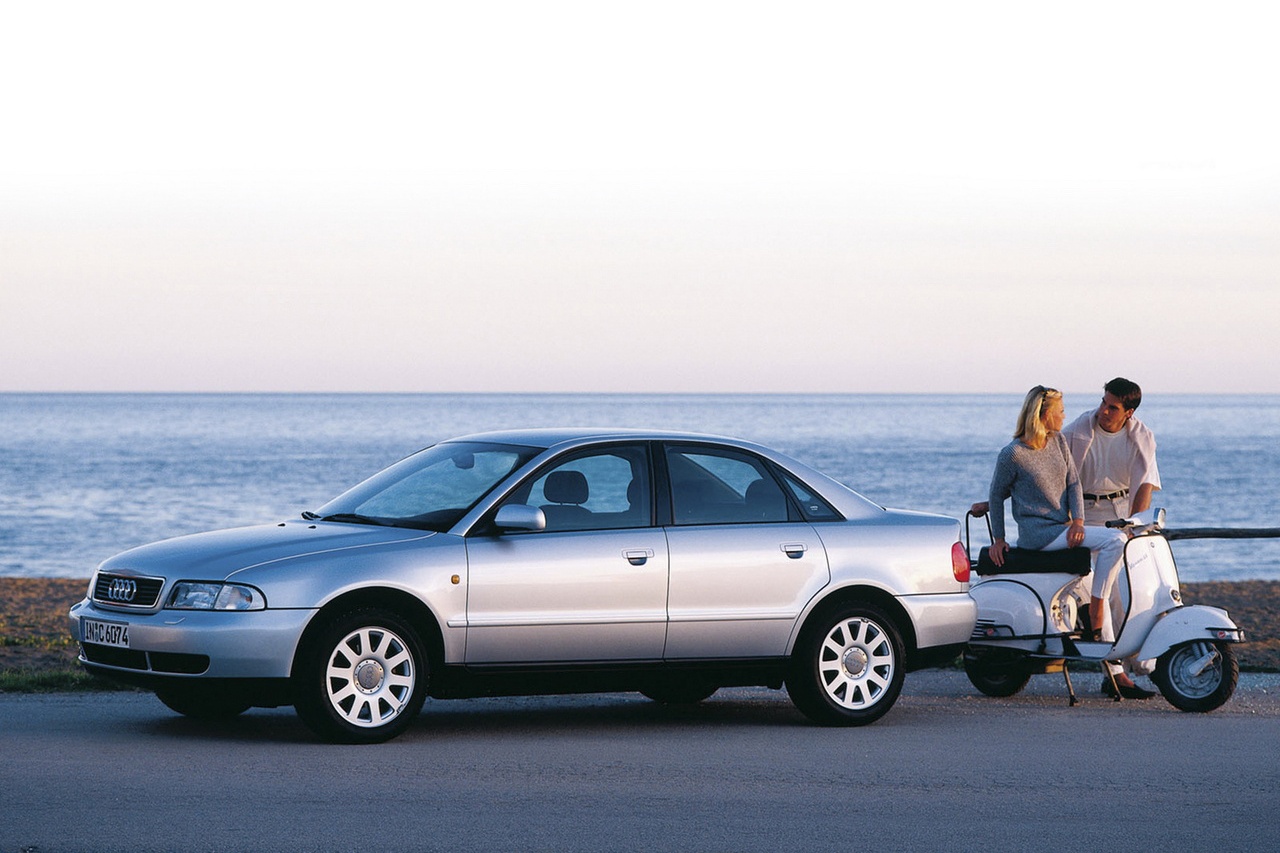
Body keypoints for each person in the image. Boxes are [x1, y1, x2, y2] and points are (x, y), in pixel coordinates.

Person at [974, 385, 1152, 699]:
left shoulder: (1057, 442)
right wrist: (998, 539)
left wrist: (1079, 522)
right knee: (1114, 542)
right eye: (1060, 411)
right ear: (1043, 415)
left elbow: (1073, 484)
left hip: (1064, 529)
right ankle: (1097, 610)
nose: (1064, 416)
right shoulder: (1013, 453)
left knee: (1100, 581)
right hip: (1039, 536)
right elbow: (997, 495)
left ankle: (1114, 672)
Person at [1062, 377, 1161, 688]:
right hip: (1083, 514)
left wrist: (1133, 526)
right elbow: (1057, 477)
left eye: (1113, 407)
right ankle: (1115, 672)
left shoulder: (1142, 437)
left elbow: (1145, 485)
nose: (1103, 411)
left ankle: (1140, 663)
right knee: (1101, 591)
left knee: (1129, 591)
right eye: (1103, 402)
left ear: (1128, 412)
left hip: (1121, 512)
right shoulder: (1078, 430)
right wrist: (1069, 520)